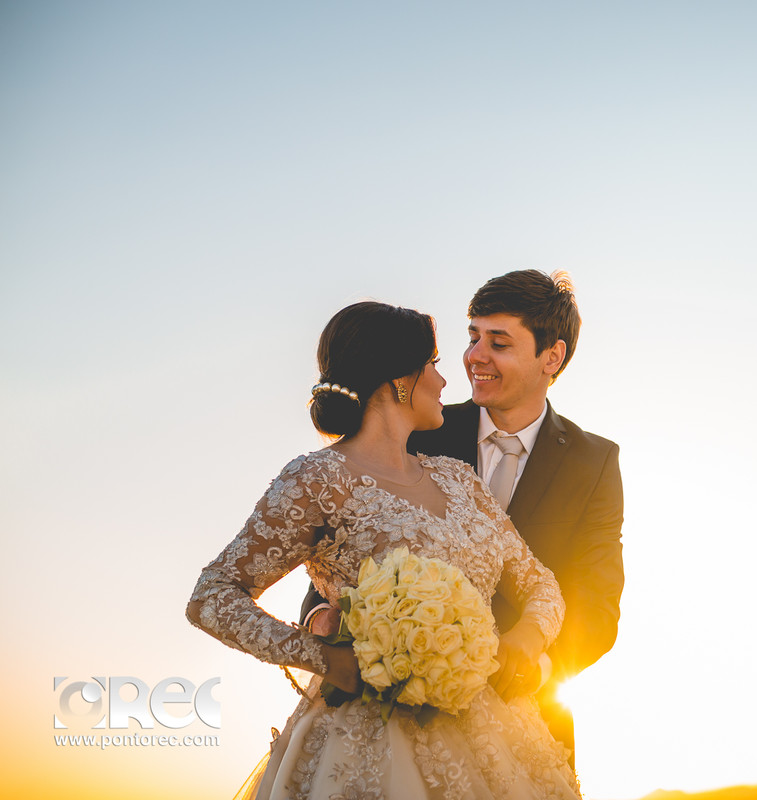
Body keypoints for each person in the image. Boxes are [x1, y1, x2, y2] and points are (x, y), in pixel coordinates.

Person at [187, 301, 581, 799]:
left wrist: (524, 640)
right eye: (434, 365)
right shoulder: (316, 481)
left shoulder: (459, 479)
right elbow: (212, 595)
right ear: (401, 379)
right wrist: (323, 657)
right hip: (364, 744)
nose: (444, 381)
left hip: (495, 735)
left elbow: (542, 583)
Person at [303, 270, 625, 762]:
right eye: (473, 336)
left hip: (527, 728)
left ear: (551, 356)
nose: (475, 356)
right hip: (389, 717)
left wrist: (536, 668)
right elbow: (340, 549)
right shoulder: (416, 427)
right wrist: (323, 620)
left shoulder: (594, 463)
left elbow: (597, 603)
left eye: (498, 342)